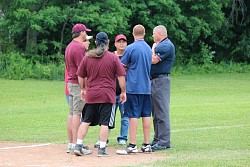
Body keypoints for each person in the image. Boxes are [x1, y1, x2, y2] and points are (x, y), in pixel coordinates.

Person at [74, 32, 126, 157]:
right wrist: (123, 91)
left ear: (95, 42)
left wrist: (83, 89)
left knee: (85, 120)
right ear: (108, 42)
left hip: (91, 94)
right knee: (105, 123)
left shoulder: (88, 57)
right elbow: (121, 76)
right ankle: (102, 149)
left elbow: (80, 75)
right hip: (107, 95)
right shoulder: (112, 57)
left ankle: (78, 145)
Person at [116, 25, 152, 155]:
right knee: (146, 115)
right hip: (147, 87)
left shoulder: (130, 48)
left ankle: (132, 145)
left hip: (133, 87)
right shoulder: (149, 48)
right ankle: (147, 144)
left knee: (133, 115)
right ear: (144, 33)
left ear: (133, 33)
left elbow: (122, 67)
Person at [93, 34, 129, 147]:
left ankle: (123, 137)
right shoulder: (110, 56)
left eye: (124, 41)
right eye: (119, 41)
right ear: (115, 43)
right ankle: (104, 139)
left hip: (123, 92)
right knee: (107, 117)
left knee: (125, 116)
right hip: (111, 92)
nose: (122, 43)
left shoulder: (129, 55)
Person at [64, 23, 92, 154]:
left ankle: (71, 143)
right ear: (81, 33)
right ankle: (76, 144)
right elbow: (83, 70)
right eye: (85, 32)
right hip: (77, 83)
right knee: (77, 114)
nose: (86, 34)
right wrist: (84, 87)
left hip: (70, 82)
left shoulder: (70, 46)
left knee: (71, 113)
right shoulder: (79, 48)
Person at [150, 25, 175, 151]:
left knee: (161, 111)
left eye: (153, 34)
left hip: (160, 80)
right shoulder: (161, 45)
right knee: (156, 111)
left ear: (159, 34)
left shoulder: (165, 45)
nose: (152, 36)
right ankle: (157, 139)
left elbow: (153, 60)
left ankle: (164, 141)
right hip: (155, 80)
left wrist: (153, 48)